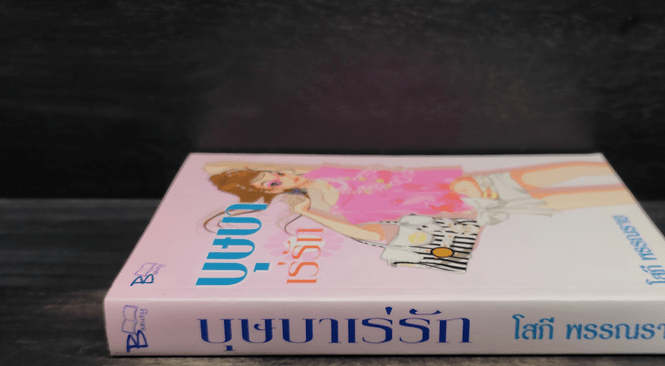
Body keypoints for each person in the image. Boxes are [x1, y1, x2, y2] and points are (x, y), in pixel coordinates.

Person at [205, 159, 635, 245]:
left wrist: (464, 183)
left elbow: (213, 166)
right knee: (585, 198)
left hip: (474, 184)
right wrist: (312, 214)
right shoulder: (326, 207)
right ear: (270, 192)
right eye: (271, 183)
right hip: (478, 208)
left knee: (584, 168)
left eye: (275, 172)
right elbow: (375, 235)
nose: (281, 177)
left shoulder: (325, 169)